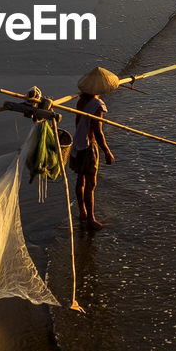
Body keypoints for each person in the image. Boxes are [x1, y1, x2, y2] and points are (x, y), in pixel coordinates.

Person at [70, 66, 117, 230]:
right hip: (89, 147)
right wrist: (107, 151)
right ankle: (91, 218)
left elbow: (78, 123)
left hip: (78, 144)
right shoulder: (97, 104)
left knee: (80, 179)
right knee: (91, 183)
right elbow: (97, 131)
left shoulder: (81, 101)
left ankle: (82, 211)